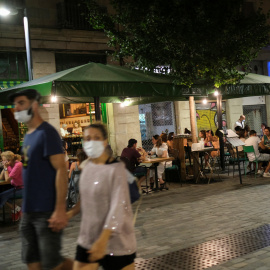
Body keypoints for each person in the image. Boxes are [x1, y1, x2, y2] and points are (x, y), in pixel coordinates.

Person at [9, 89, 73, 270]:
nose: (16, 108)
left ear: (34, 105)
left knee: (53, 263)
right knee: (32, 260)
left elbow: (61, 170)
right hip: (29, 210)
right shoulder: (28, 136)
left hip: (47, 210)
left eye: (21, 103)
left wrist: (60, 209)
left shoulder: (47, 133)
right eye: (15, 104)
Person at [67, 123, 136, 270]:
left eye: (96, 138)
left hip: (116, 241)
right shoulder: (86, 167)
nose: (91, 142)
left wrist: (103, 240)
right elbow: (85, 198)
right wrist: (69, 213)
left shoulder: (116, 170)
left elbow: (118, 207)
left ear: (104, 141)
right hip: (89, 237)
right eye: (87, 138)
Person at [0, 151, 23, 221]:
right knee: (3, 196)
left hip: (24, 188)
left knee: (2, 196)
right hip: (17, 188)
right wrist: (5, 168)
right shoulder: (9, 165)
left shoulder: (18, 165)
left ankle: (16, 210)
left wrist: (5, 167)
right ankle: (16, 209)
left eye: (4, 160)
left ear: (9, 160)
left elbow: (7, 179)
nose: (3, 162)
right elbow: (1, 178)